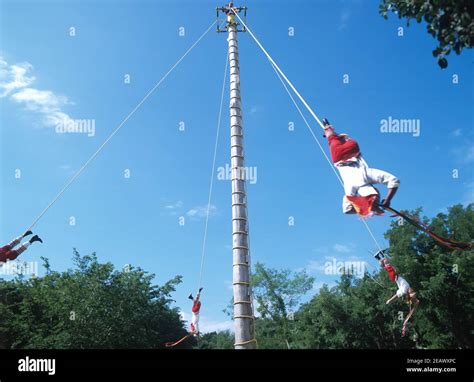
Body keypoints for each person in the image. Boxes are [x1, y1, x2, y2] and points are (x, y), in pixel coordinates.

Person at [323, 120, 400, 216]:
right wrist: (371, 209)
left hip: (350, 148)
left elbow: (394, 181)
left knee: (332, 137)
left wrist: (385, 201)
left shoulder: (366, 175)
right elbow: (347, 210)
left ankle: (328, 128)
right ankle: (327, 128)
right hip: (340, 155)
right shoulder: (350, 187)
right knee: (331, 137)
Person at [375, 250, 419, 337]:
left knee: (387, 264)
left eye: (412, 293)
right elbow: (414, 298)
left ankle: (381, 255)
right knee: (385, 266)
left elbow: (397, 296)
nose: (414, 292)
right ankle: (378, 257)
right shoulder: (408, 289)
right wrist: (415, 304)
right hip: (396, 276)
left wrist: (389, 301)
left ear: (408, 296)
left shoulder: (403, 291)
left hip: (394, 276)